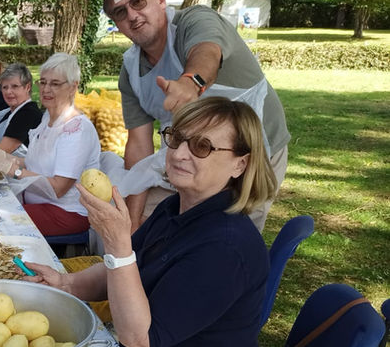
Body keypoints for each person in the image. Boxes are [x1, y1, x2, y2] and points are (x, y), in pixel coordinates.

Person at [25, 97, 275, 346]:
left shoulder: (225, 248)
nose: (178, 154)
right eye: (176, 139)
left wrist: (117, 244)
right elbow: (123, 268)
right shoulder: (175, 207)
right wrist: (66, 283)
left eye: (201, 146)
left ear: (240, 165)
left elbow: (140, 340)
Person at [105, 0, 290, 231]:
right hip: (195, 156)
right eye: (120, 13)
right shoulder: (131, 72)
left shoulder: (195, 20)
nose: (132, 16)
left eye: (137, 2)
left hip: (253, 149)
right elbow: (138, 147)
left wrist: (191, 82)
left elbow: (207, 52)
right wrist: (132, 222)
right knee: (153, 225)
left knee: (231, 236)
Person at [0, 53, 100, 236]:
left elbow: (58, 188)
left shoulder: (76, 130)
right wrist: (3, 157)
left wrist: (12, 169)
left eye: (55, 84)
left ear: (73, 87)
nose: (46, 89)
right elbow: (32, 162)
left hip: (66, 212)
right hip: (37, 203)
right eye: (43, 82)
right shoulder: (47, 118)